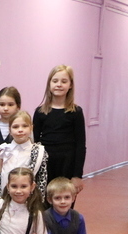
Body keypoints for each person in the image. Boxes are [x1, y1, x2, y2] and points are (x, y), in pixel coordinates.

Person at [33, 65, 86, 193]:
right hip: (45, 164)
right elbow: (34, 143)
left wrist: (77, 175)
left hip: (67, 164)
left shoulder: (76, 112)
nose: (59, 85)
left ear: (70, 85)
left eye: (64, 81)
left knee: (64, 199)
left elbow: (80, 145)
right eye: (55, 81)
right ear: (49, 84)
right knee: (45, 201)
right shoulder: (40, 112)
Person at [0, 111, 48, 199]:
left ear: (31, 128)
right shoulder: (4, 150)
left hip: (28, 200)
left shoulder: (39, 151)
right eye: (15, 127)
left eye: (25, 126)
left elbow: (42, 180)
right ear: (10, 130)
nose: (20, 130)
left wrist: (35, 203)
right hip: (5, 199)